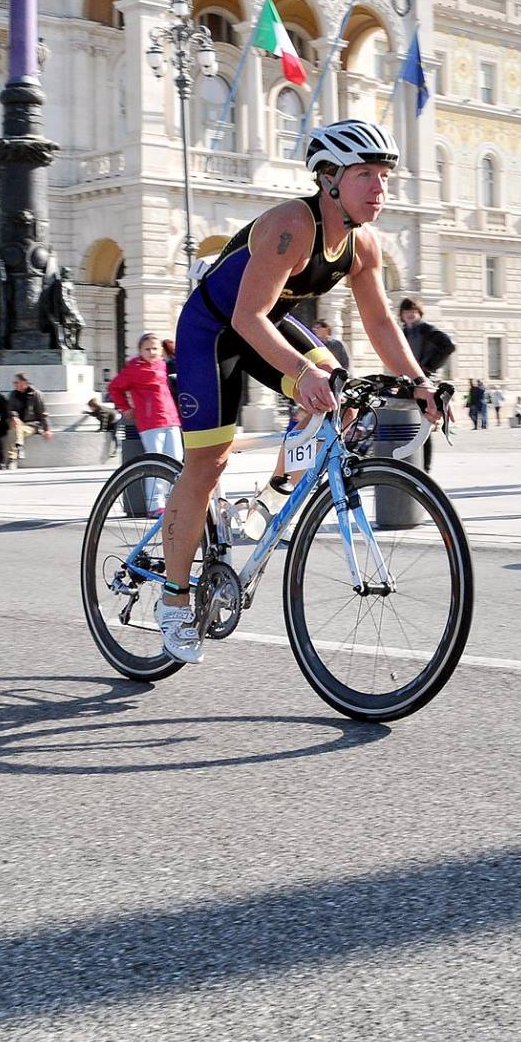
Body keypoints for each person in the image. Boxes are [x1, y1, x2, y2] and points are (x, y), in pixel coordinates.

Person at [153, 119, 442, 665]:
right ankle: (173, 598)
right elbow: (245, 315)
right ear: (329, 178)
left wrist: (419, 382)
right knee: (207, 462)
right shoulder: (292, 225)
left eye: (383, 177)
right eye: (366, 176)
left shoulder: (363, 245)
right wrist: (299, 375)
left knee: (342, 386)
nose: (379, 189)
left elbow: (381, 324)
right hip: (213, 332)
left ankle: (275, 492)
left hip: (266, 324)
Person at [108, 333, 182, 503]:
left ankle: (172, 501)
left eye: (155, 348)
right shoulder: (134, 368)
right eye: (147, 349)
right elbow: (114, 387)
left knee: (175, 461)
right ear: (140, 351)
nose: (151, 352)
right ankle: (154, 502)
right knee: (156, 462)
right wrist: (125, 408)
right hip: (150, 422)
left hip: (170, 419)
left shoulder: (163, 365)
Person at [398, 297, 454, 470]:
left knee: (424, 423)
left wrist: (428, 366)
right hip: (408, 382)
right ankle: (407, 461)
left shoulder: (426, 330)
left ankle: (425, 467)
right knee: (404, 419)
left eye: (413, 311)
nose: (409, 314)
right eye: (406, 311)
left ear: (419, 313)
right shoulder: (404, 332)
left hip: (423, 382)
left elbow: (448, 346)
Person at [4, 373, 52, 468]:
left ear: (24, 383)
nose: (14, 384)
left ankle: (12, 459)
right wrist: (14, 416)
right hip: (16, 423)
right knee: (16, 427)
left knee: (14, 431)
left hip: (31, 425)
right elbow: (10, 409)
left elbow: (43, 413)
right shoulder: (13, 394)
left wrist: (47, 429)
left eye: (16, 382)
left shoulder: (36, 394)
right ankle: (19, 448)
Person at [81, 395, 120, 460]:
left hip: (115, 420)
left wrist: (102, 429)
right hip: (110, 421)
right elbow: (95, 414)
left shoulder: (101, 410)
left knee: (114, 435)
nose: (90, 408)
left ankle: (117, 449)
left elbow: (104, 419)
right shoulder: (97, 410)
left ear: (93, 406)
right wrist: (87, 413)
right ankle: (110, 449)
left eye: (90, 407)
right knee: (109, 435)